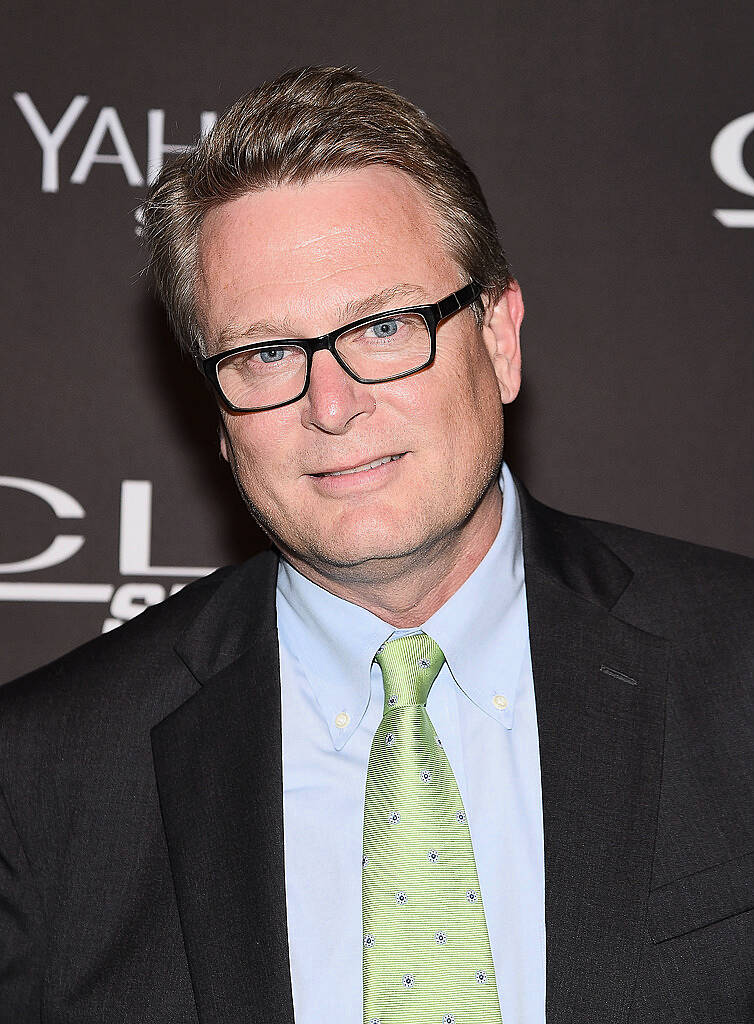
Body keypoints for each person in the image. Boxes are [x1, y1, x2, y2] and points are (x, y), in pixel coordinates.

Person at [0, 66, 752, 1024]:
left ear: (501, 339)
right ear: (219, 414)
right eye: (267, 353)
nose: (332, 403)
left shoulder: (737, 672)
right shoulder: (41, 779)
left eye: (386, 326)